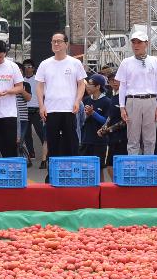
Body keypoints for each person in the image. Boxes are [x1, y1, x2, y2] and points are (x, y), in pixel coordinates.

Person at [36, 31, 86, 159]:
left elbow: (81, 84)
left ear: (66, 44)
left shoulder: (75, 63)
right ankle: (52, 175)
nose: (56, 44)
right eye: (54, 41)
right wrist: (41, 106)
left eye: (59, 41)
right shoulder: (45, 64)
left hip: (69, 109)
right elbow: (39, 87)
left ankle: (72, 173)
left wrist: (77, 101)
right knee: (52, 143)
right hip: (51, 109)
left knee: (71, 142)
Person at [114, 31, 157, 155]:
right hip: (132, 100)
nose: (136, 45)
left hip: (151, 100)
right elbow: (123, 86)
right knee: (133, 139)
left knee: (150, 139)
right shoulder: (126, 62)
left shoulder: (155, 61)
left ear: (146, 44)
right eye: (133, 42)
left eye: (139, 42)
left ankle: (148, 170)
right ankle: (134, 169)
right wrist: (122, 107)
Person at [81, 74, 112, 181]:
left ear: (98, 86)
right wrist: (86, 115)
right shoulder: (85, 100)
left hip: (100, 141)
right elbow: (81, 120)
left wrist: (93, 113)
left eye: (90, 84)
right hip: (86, 139)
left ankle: (100, 192)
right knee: (85, 169)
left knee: (99, 169)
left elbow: (106, 121)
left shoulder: (107, 101)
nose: (87, 86)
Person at [22, 59, 46, 167]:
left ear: (33, 68)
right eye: (25, 66)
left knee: (41, 132)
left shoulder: (38, 80)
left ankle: (46, 154)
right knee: (26, 134)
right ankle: (31, 153)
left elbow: (44, 95)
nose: (27, 68)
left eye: (29, 66)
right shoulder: (20, 80)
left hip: (36, 110)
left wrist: (44, 108)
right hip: (25, 110)